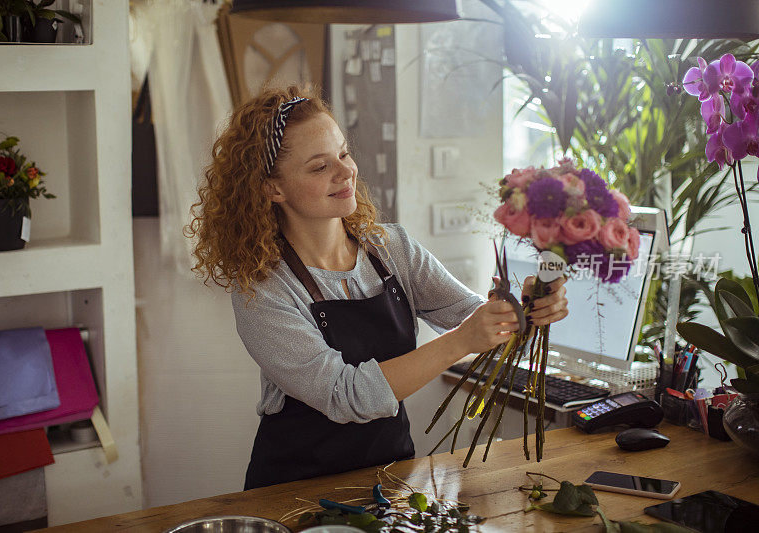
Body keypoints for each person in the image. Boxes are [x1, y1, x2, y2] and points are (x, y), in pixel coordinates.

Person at [186, 85, 569, 491]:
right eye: (319, 167)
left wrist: (525, 308)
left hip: (392, 479)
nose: (345, 171)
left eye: (344, 153)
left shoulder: (391, 249)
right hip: (294, 492)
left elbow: (477, 322)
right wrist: (462, 341)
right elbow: (345, 395)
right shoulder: (263, 289)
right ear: (272, 188)